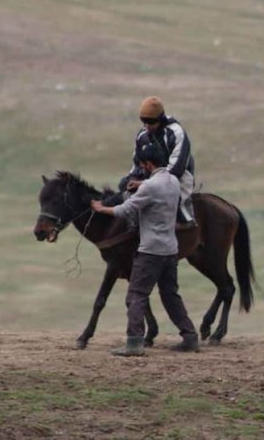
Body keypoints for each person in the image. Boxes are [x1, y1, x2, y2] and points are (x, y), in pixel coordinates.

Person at [93, 143, 200, 356]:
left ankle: (134, 343)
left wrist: (101, 208)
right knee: (170, 294)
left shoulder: (149, 187)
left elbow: (126, 209)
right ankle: (190, 337)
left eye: (143, 165)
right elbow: (157, 184)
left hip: (151, 250)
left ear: (149, 164)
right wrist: (142, 184)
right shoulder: (172, 181)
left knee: (136, 295)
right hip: (171, 249)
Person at [119, 96, 196, 228]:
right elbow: (138, 163)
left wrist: (145, 184)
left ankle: (184, 223)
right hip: (150, 178)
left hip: (177, 179)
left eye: (151, 123)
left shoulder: (176, 133)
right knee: (123, 186)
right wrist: (131, 180)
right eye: (144, 122)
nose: (147, 127)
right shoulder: (142, 135)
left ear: (160, 119)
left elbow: (175, 170)